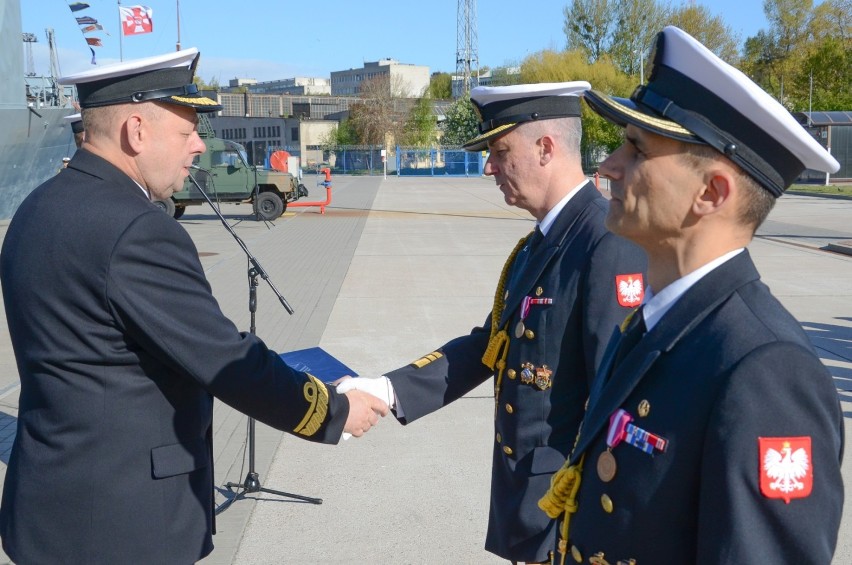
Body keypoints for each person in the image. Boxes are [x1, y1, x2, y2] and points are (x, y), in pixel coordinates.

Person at [0, 48, 388, 564]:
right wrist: (334, 411)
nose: (199, 145)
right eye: (186, 131)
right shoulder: (138, 229)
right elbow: (229, 364)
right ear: (136, 131)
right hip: (125, 526)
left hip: (47, 510)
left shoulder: (36, 208)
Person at [538, 26, 844, 565]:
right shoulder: (658, 322)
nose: (608, 166)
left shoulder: (763, 370)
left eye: (635, 148)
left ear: (712, 193)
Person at [338, 82, 647, 563]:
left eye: (501, 151)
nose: (489, 167)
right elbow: (490, 346)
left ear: (546, 148)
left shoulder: (605, 243)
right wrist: (386, 389)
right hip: (529, 504)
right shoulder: (539, 246)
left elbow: (617, 406)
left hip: (569, 521)